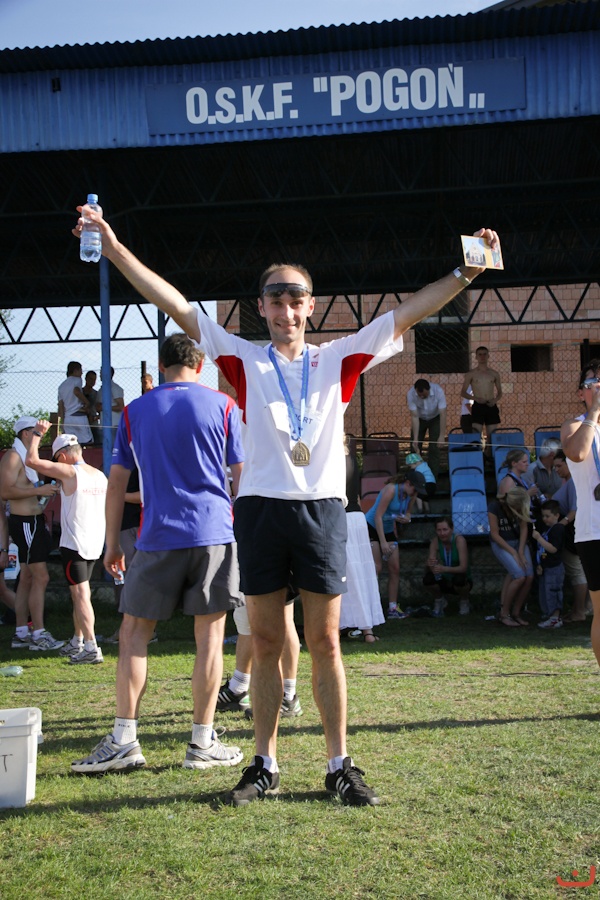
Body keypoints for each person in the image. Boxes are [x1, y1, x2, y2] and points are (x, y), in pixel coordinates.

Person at [71, 201, 498, 805]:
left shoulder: (339, 357)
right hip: (260, 511)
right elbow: (176, 304)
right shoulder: (242, 358)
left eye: (296, 298)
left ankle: (339, 765)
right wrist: (114, 249)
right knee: (267, 643)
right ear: (262, 307)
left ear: (310, 306)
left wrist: (465, 273)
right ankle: (264, 765)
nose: (286, 308)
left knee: (325, 642)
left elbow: (409, 311)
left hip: (320, 510)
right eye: (275, 298)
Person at [70, 333, 245, 774]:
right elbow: (241, 478)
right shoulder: (224, 406)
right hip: (213, 534)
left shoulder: (135, 410)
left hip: (156, 535)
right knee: (210, 638)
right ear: (200, 366)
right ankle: (202, 742)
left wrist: (112, 543)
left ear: (161, 366)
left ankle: (124, 739)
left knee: (133, 634)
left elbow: (116, 483)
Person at [26, 427, 108, 663]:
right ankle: (78, 640)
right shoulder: (99, 474)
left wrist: (37, 434)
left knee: (81, 595)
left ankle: (91, 647)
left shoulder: (70, 471)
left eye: (56, 461)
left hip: (74, 543)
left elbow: (31, 461)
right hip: (94, 542)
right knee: (79, 594)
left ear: (62, 456)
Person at [0, 416, 62, 650]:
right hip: (24, 523)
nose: (40, 436)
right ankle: (38, 633)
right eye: (36, 432)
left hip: (33, 521)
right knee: (41, 577)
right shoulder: (13, 457)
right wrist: (40, 490)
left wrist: (45, 492)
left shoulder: (26, 457)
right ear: (25, 433)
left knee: (26, 577)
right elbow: (5, 492)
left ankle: (21, 632)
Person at [560, 358, 600, 670]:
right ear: (581, 393)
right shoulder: (574, 425)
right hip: (594, 530)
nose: (599, 387)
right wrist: (594, 412)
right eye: (592, 383)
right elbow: (578, 452)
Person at [339, 437, 385, 642]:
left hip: (344, 518)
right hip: (356, 517)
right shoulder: (350, 458)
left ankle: (354, 627)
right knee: (361, 574)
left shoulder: (334, 460)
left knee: (349, 574)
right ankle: (366, 630)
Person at [364, 471, 419, 620]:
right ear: (408, 483)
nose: (416, 492)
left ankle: (392, 608)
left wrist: (407, 518)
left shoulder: (412, 494)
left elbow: (408, 513)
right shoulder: (391, 490)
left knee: (395, 568)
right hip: (372, 526)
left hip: (388, 529)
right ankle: (370, 608)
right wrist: (382, 542)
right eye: (415, 488)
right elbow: (378, 516)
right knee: (377, 567)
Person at [552, 449, 590, 622]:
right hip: (573, 532)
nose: (556, 470)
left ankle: (580, 611)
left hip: (571, 534)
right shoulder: (568, 482)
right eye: (554, 467)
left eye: (559, 466)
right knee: (580, 572)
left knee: (577, 573)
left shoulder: (574, 482)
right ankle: (582, 609)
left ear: (569, 464)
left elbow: (575, 510)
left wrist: (560, 524)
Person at [488, 486, 534, 627]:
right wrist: (513, 553)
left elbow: (524, 528)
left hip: (518, 542)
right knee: (519, 576)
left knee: (529, 576)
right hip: (502, 543)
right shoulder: (494, 507)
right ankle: (504, 614)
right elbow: (495, 534)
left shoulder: (521, 507)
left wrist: (520, 551)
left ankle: (516, 613)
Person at [423, 517, 472, 617]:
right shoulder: (435, 541)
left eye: (445, 529)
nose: (442, 533)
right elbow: (431, 563)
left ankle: (464, 601)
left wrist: (443, 569)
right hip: (444, 576)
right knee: (428, 579)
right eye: (439, 530)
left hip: (458, 576)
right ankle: (439, 600)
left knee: (460, 579)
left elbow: (463, 567)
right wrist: (430, 565)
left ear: (452, 529)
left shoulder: (459, 540)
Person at [531, 499, 565, 629]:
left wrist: (539, 538)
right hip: (545, 567)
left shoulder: (558, 529)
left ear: (556, 515)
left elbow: (553, 549)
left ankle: (555, 617)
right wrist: (540, 564)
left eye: (548, 516)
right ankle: (548, 614)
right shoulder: (548, 529)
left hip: (554, 568)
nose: (545, 519)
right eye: (543, 516)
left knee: (553, 591)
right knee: (544, 592)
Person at [461, 347, 503, 451]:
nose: (482, 356)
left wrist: (494, 400)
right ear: (476, 357)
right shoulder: (471, 374)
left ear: (488, 356)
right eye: (480, 354)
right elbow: (463, 392)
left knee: (491, 437)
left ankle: (489, 457)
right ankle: (478, 456)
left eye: (484, 354)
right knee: (476, 435)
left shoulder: (494, 373)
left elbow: (500, 392)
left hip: (491, 405)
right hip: (478, 406)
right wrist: (475, 398)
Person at [406, 379, 447, 478]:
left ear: (429, 389)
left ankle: (432, 478)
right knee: (415, 447)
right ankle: (415, 477)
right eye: (419, 395)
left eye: (424, 395)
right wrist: (416, 438)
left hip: (435, 418)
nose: (421, 397)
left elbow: (443, 414)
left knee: (434, 448)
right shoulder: (410, 394)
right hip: (420, 419)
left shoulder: (438, 391)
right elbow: (414, 416)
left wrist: (441, 436)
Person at [57, 361, 93, 445]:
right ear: (75, 371)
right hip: (78, 416)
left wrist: (63, 423)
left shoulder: (61, 386)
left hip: (68, 418)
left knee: (71, 443)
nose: (82, 373)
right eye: (80, 370)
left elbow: (61, 405)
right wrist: (87, 402)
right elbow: (76, 391)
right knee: (87, 441)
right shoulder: (77, 379)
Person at [97, 367, 125, 439]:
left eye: (101, 373)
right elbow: (98, 406)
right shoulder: (101, 389)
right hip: (103, 424)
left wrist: (104, 408)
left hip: (114, 424)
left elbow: (121, 407)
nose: (100, 375)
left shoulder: (114, 388)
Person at [82, 370, 101, 444]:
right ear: (86, 379)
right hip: (81, 422)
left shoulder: (96, 394)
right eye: (90, 379)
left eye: (94, 380)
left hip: (93, 424)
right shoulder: (80, 392)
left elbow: (100, 410)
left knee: (96, 443)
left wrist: (95, 418)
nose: (92, 381)